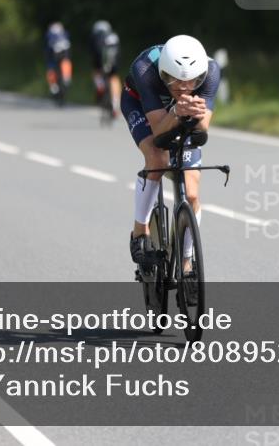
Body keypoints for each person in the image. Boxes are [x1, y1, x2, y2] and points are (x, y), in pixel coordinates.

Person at [121, 35, 220, 274]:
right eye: (175, 81)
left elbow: (201, 131)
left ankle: (186, 262)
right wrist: (176, 111)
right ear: (164, 73)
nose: (184, 87)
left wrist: (194, 117)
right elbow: (159, 133)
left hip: (179, 111)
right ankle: (139, 231)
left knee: (192, 193)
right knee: (158, 158)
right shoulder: (144, 69)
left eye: (192, 81)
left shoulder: (211, 70)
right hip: (140, 104)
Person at [90, 20, 121, 117]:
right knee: (114, 77)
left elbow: (94, 51)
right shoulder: (114, 36)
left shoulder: (96, 36)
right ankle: (116, 102)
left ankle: (100, 87)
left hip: (100, 58)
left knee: (96, 72)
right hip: (114, 59)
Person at [44, 22, 73, 96]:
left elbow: (46, 48)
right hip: (65, 52)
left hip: (53, 54)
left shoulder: (49, 34)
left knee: (51, 67)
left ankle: (53, 85)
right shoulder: (64, 33)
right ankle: (66, 77)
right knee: (66, 61)